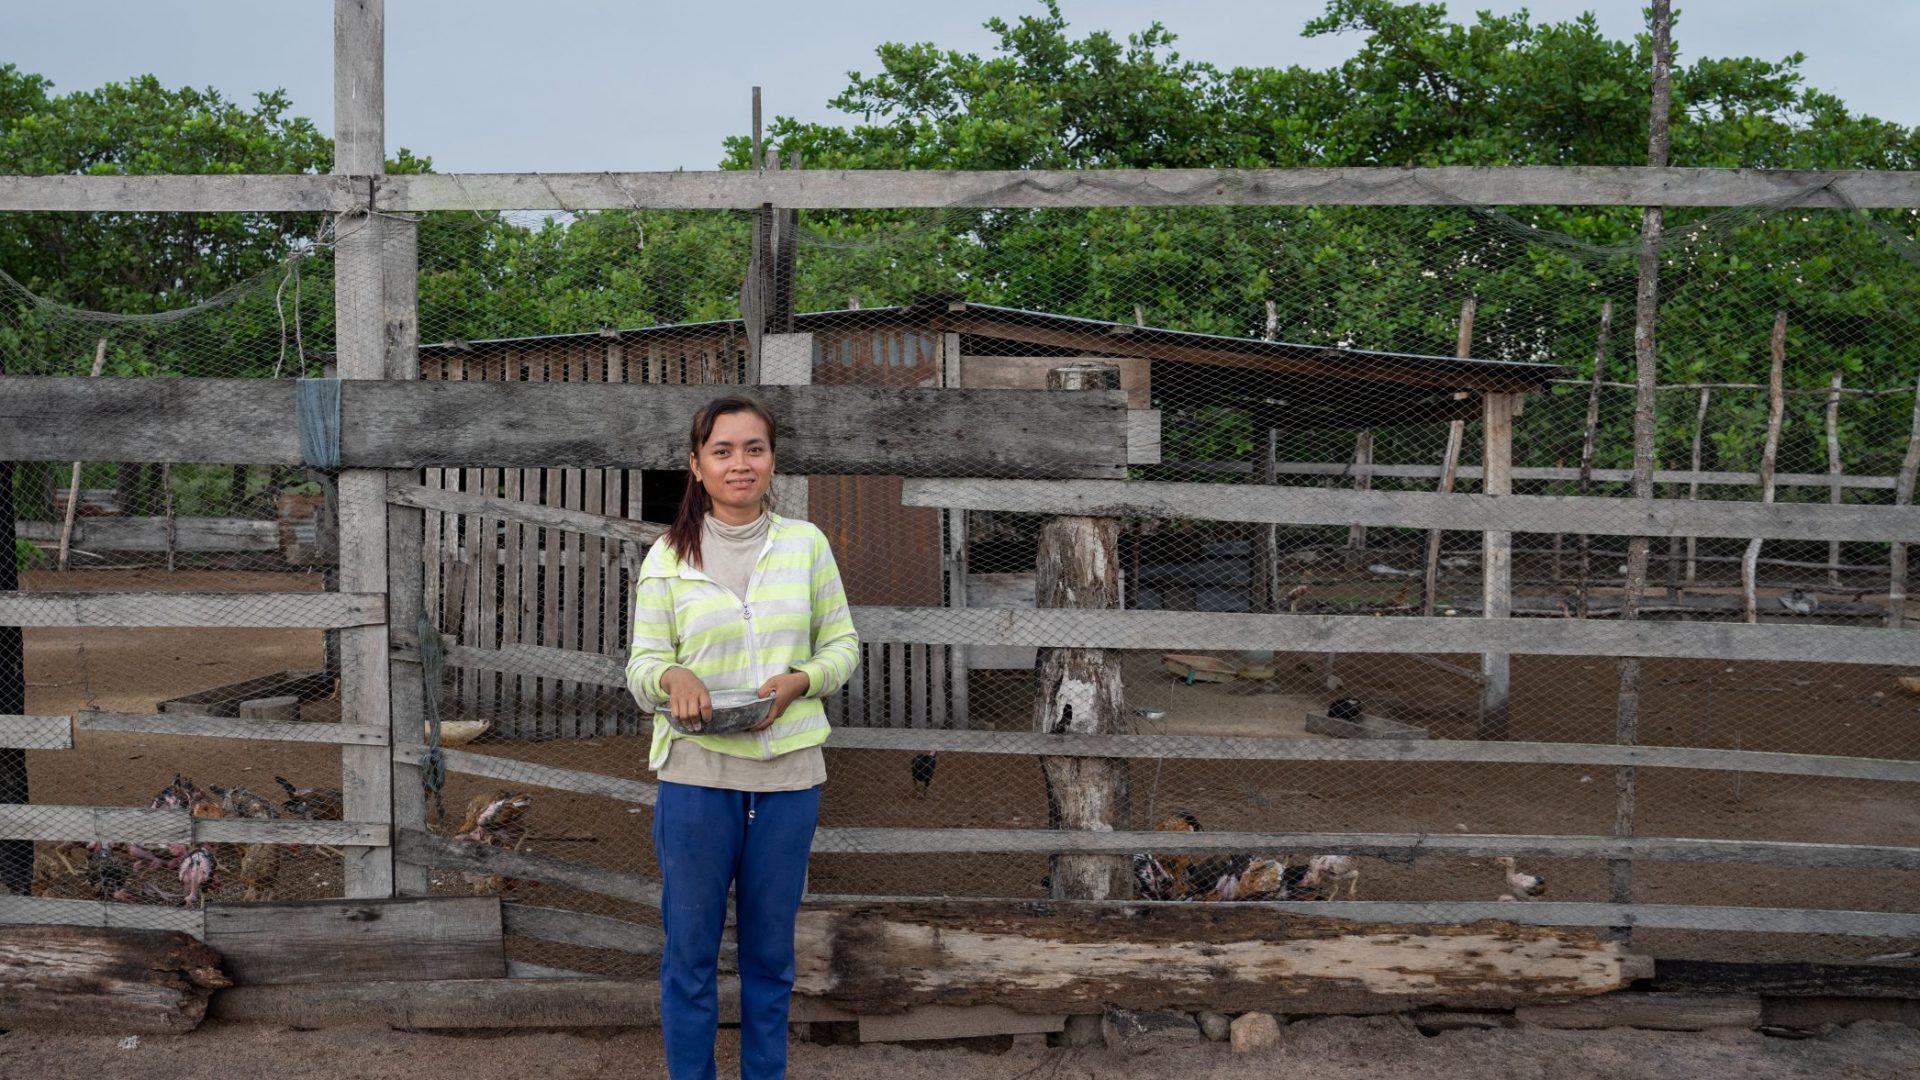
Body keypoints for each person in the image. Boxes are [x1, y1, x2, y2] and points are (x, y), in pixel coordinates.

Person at [626, 395, 859, 1080]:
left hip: (787, 779)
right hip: (697, 778)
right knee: (690, 956)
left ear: (772, 460)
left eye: (753, 448)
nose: (739, 463)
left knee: (770, 957)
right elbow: (640, 665)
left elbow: (843, 645)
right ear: (695, 466)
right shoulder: (669, 557)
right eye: (722, 451)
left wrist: (802, 681)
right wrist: (673, 678)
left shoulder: (806, 546)